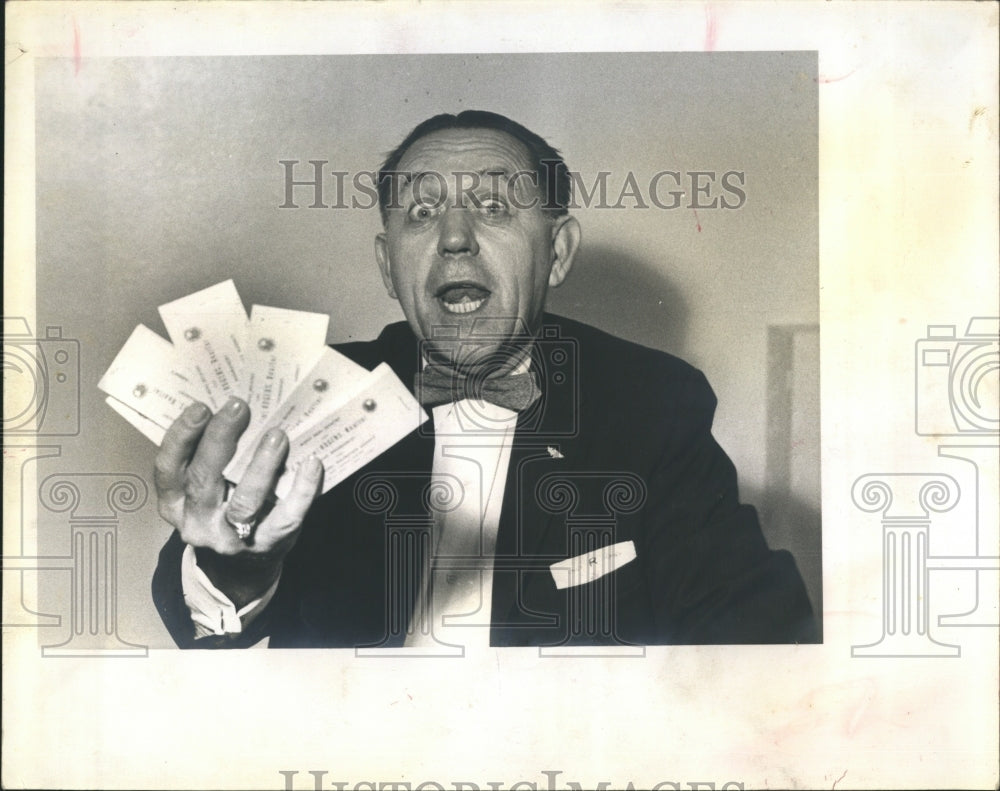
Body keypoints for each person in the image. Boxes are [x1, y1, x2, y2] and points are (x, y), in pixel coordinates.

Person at [152, 110, 817, 649]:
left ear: (556, 253)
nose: (455, 238)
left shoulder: (651, 402)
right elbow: (199, 614)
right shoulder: (315, 390)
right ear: (389, 267)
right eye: (420, 213)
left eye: (495, 206)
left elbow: (755, 625)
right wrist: (237, 566)